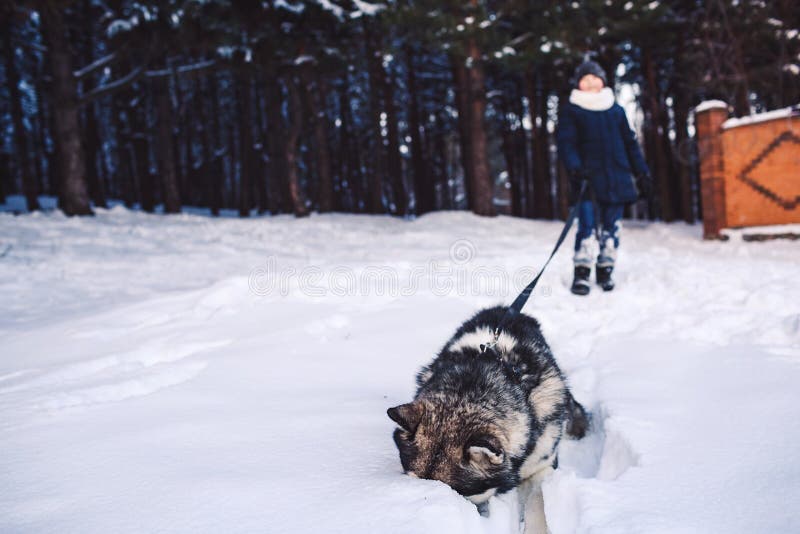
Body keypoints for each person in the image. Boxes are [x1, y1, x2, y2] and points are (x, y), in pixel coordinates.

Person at [556, 59, 651, 295]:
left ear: (602, 81)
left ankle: (606, 267)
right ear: (578, 84)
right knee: (586, 226)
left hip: (617, 176)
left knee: (612, 227)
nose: (590, 83)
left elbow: (630, 144)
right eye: (585, 79)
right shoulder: (572, 110)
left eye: (594, 78)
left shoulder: (615, 110)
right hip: (586, 178)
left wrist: (642, 173)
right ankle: (582, 272)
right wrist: (575, 167)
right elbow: (566, 143)